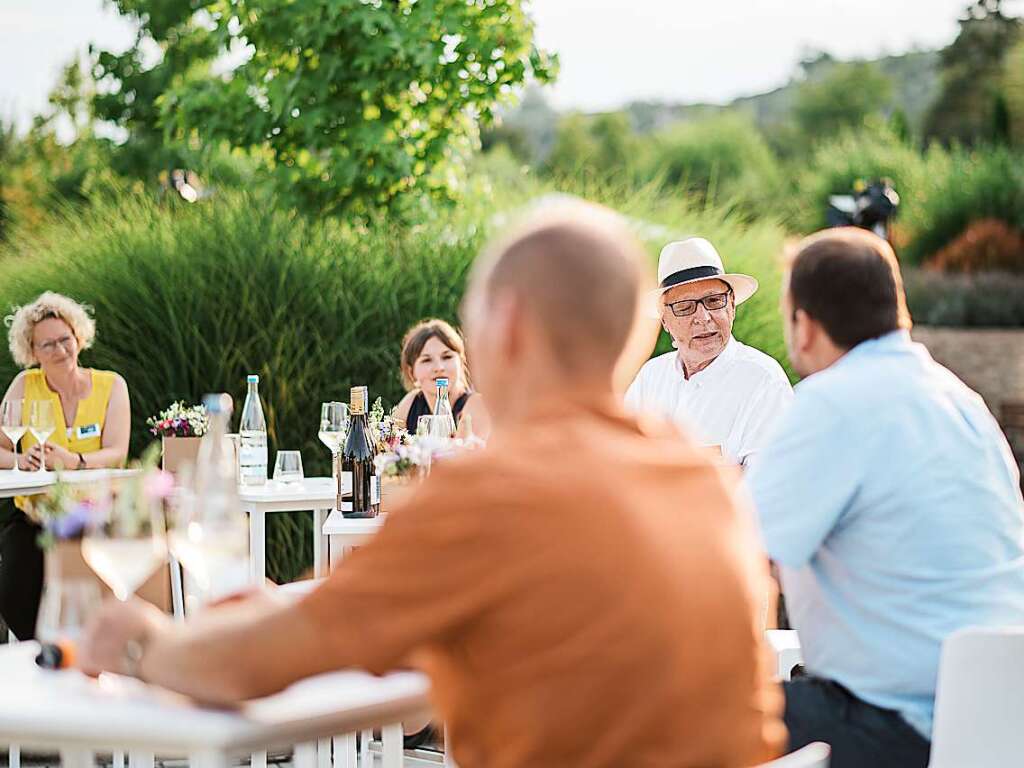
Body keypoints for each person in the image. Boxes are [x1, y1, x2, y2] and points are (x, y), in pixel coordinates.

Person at [76, 201, 785, 768]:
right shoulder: (701, 484)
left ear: (505, 327)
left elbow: (252, 666)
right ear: (642, 328)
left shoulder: (493, 492)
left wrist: (141, 642)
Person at [748, 228, 1024, 768]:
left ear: (803, 326)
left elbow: (728, 558)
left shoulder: (831, 403)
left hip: (892, 729)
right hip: (998, 721)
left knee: (667, 716)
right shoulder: (962, 403)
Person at [0, 291, 131, 640]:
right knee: (12, 588)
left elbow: (117, 451)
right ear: (32, 352)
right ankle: (42, 652)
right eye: (47, 345)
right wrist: (19, 459)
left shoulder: (111, 385)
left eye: (65, 339)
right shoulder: (24, 386)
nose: (59, 350)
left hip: (95, 516)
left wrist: (75, 461)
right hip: (35, 518)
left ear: (79, 338)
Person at [625, 237, 792, 466]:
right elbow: (620, 458)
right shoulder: (651, 376)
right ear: (665, 320)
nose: (703, 318)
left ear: (732, 305)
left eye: (714, 301)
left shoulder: (764, 380)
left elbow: (767, 484)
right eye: (685, 307)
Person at [393, 318, 491, 439]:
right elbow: (389, 446)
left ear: (461, 362)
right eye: (427, 360)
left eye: (447, 357)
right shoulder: (410, 403)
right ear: (411, 372)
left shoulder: (476, 406)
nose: (439, 367)